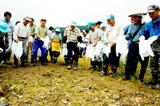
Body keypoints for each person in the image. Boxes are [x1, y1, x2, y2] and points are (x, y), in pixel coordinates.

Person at [123, 9, 148, 82]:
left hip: (142, 45)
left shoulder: (146, 25)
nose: (134, 18)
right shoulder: (131, 26)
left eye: (136, 17)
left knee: (144, 61)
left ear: (140, 17)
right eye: (133, 17)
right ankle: (126, 75)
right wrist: (126, 37)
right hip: (133, 45)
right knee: (129, 60)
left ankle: (141, 77)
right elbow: (128, 35)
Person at [140, 4, 160, 89]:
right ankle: (155, 80)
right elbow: (145, 32)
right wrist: (142, 36)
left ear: (158, 11)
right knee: (153, 63)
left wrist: (157, 36)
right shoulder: (149, 24)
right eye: (149, 13)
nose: (151, 15)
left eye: (152, 13)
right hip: (153, 46)